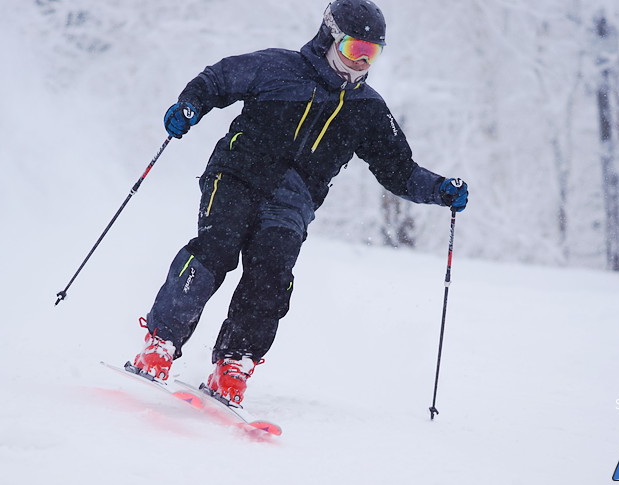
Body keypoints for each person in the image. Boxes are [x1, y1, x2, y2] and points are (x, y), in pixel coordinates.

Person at [131, 0, 469, 405]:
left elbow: (399, 171)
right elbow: (217, 80)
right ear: (330, 37)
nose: (360, 63)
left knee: (271, 274)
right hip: (235, 176)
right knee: (216, 249)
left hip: (293, 200)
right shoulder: (277, 68)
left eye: (371, 54)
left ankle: (234, 363)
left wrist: (440, 188)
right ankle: (161, 342)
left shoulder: (367, 110)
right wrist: (190, 106)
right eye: (353, 50)